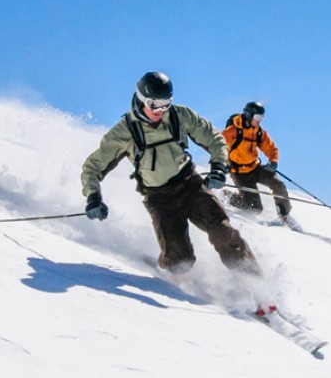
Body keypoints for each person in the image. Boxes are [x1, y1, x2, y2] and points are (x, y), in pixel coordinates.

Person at [79, 72, 255, 275]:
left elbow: (215, 138)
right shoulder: (124, 132)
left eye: (166, 103)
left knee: (223, 232)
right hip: (161, 199)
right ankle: (166, 266)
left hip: (191, 186)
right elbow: (92, 167)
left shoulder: (179, 116)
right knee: (180, 261)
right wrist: (93, 197)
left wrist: (218, 166)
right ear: (141, 98)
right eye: (154, 104)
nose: (160, 110)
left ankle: (255, 284)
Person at [222, 101, 291, 219]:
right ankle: (231, 198)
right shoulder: (233, 131)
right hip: (240, 173)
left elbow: (271, 148)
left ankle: (284, 214)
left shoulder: (258, 132)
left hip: (255, 168)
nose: (260, 120)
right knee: (255, 208)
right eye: (258, 117)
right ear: (249, 115)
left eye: (262, 117)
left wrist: (273, 161)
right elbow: (219, 145)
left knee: (278, 185)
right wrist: (223, 164)